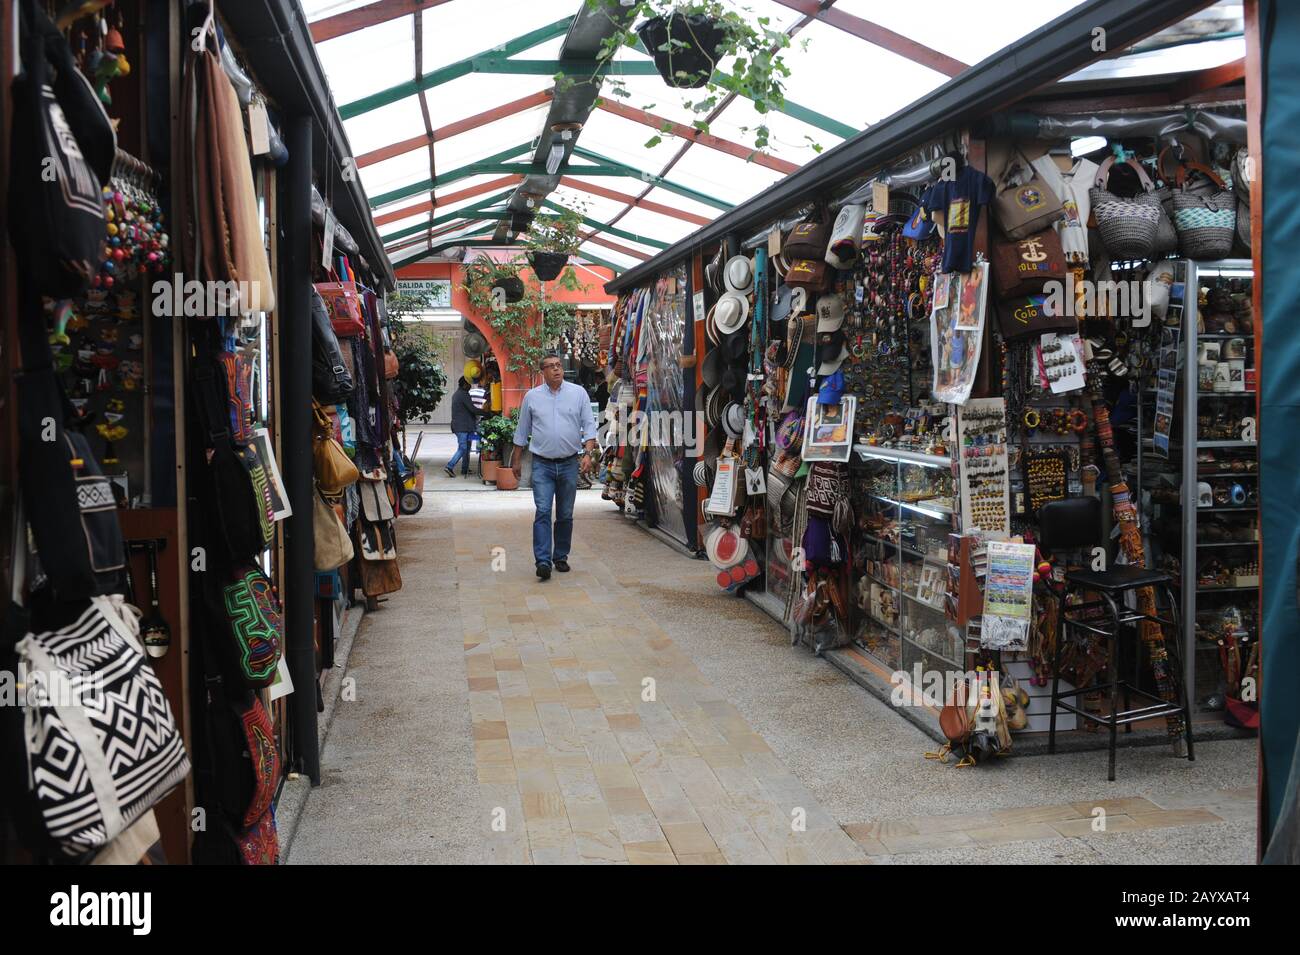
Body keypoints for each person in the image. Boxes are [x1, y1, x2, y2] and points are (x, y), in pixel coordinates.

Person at [512, 354, 598, 580]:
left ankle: (560, 556)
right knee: (542, 511)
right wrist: (516, 459)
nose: (557, 370)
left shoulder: (578, 394)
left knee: (565, 514)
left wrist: (588, 454)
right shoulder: (532, 397)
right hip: (542, 464)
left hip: (569, 463)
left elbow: (589, 425)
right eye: (551, 367)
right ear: (543, 372)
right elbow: (522, 430)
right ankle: (542, 561)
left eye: (559, 365)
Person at [445, 377, 490, 478]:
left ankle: (464, 469)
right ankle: (449, 466)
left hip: (464, 426)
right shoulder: (463, 394)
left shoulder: (457, 394)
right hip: (462, 427)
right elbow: (473, 409)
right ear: (464, 385)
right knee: (463, 448)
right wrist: (486, 413)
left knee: (467, 448)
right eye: (468, 384)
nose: (470, 386)